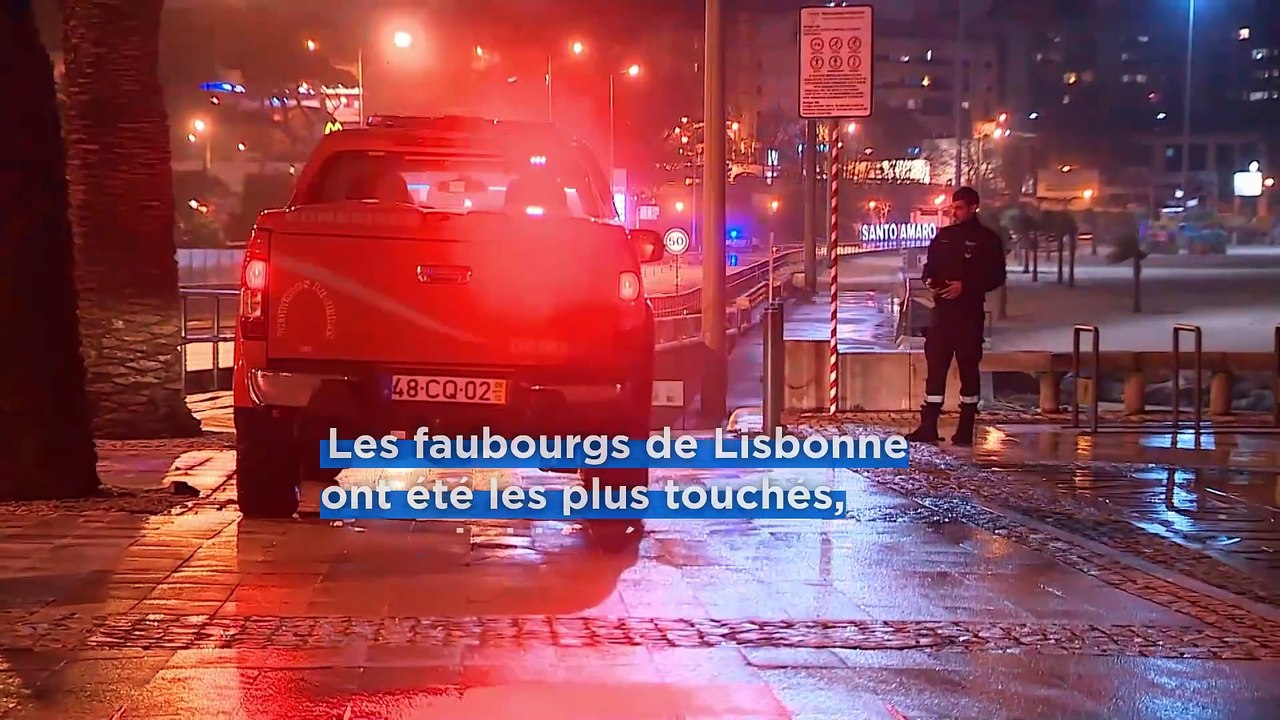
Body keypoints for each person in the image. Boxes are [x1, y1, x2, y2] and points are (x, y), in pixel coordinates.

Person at [906, 186, 1006, 446]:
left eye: (959, 208)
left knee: (968, 369)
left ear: (973, 208)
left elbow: (996, 276)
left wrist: (966, 286)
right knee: (935, 368)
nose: (954, 212)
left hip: (969, 314)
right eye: (952, 207)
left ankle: (965, 429)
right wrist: (931, 282)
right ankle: (928, 426)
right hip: (942, 314)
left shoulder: (987, 239)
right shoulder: (944, 237)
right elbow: (930, 267)